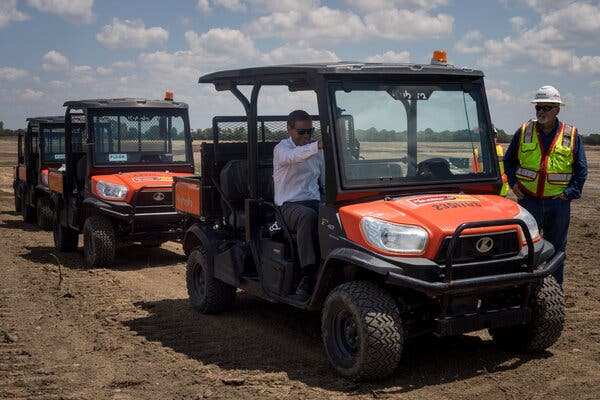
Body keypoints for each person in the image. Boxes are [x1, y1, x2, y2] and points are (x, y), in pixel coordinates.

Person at [504, 85, 587, 289]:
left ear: (557, 109)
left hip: (558, 204)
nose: (541, 112)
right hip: (528, 201)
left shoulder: (571, 135)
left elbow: (581, 169)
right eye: (538, 107)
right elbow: (508, 161)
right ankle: (523, 290)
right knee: (523, 249)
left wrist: (570, 193)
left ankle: (554, 290)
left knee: (557, 250)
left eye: (546, 107)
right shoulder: (524, 131)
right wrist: (514, 184)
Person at [273, 110, 324, 300]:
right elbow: (294, 156)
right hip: (288, 205)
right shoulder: (282, 149)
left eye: (309, 131)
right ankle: (307, 274)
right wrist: (317, 145)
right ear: (289, 129)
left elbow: (324, 182)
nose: (306, 136)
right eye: (301, 132)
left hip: (314, 201)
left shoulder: (317, 152)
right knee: (308, 217)